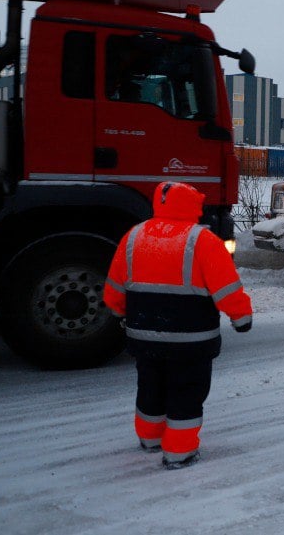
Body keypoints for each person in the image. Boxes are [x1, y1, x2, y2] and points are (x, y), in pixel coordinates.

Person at [104, 181, 252, 469]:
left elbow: (115, 284)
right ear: (193, 207)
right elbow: (227, 288)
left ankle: (149, 438)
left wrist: (116, 310)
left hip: (144, 336)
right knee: (186, 392)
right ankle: (179, 451)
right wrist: (241, 318)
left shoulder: (134, 236)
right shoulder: (203, 240)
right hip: (191, 341)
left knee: (149, 386)